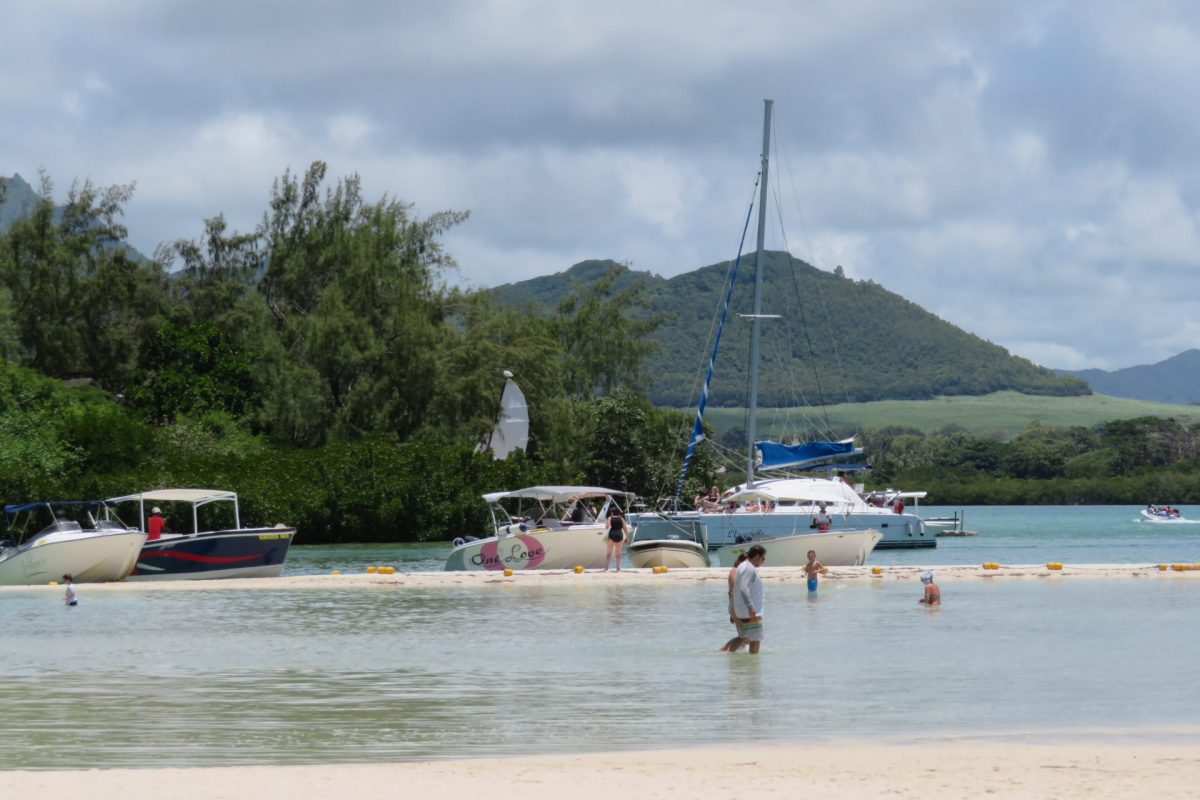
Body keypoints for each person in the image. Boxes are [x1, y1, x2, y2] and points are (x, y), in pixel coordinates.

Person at [731, 544, 767, 654]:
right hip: (750, 613)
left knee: (743, 637)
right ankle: (753, 669)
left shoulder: (742, 566)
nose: (762, 561)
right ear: (757, 556)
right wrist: (751, 607)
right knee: (756, 640)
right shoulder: (749, 568)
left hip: (741, 611)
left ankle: (725, 653)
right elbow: (743, 588)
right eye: (763, 558)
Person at [720, 553, 750, 652]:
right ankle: (727, 651)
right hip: (738, 606)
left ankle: (726, 651)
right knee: (745, 636)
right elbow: (732, 591)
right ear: (740, 562)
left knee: (746, 637)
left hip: (737, 607)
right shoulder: (735, 571)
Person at [602, 506, 629, 571]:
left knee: (609, 553)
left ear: (612, 513)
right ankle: (618, 568)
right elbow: (625, 528)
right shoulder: (621, 518)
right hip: (619, 535)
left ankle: (606, 568)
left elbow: (607, 527)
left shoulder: (610, 518)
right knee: (618, 553)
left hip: (611, 535)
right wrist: (627, 537)